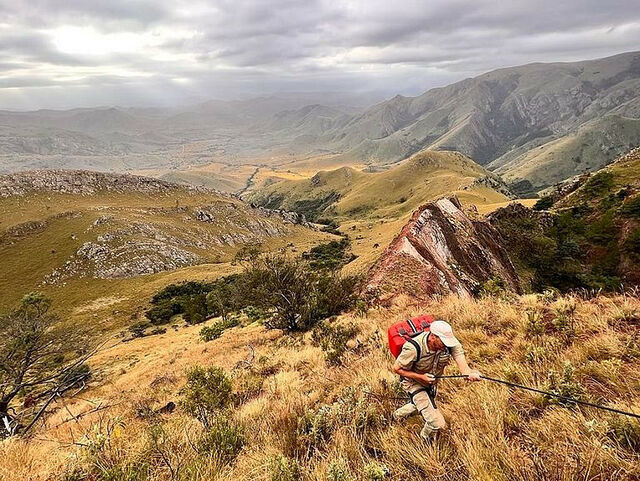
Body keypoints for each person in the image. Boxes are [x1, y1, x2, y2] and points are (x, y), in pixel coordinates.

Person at [392, 319, 481, 442]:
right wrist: (420, 377)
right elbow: (397, 369)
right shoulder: (413, 348)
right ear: (433, 336)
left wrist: (470, 374)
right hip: (413, 383)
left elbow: (464, 368)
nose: (446, 346)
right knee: (437, 423)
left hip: (431, 384)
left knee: (419, 404)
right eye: (443, 342)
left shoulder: (450, 344)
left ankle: (396, 416)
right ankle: (423, 441)